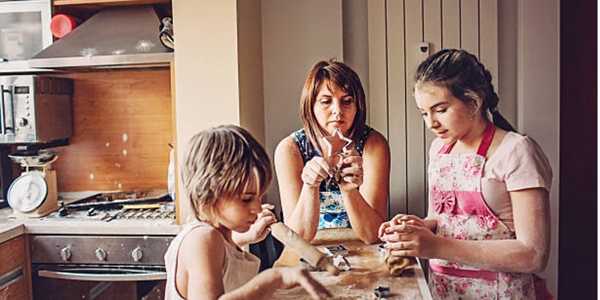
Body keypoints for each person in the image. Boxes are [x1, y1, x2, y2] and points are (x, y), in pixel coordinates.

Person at [379, 49, 553, 299]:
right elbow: (440, 220)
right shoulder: (440, 148)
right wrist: (416, 229)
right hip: (444, 289)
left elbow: (533, 255)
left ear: (474, 101)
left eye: (440, 109)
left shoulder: (516, 151)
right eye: (424, 113)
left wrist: (436, 246)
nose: (431, 123)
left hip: (500, 292)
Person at [164, 125, 331, 300]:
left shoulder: (221, 236)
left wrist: (243, 239)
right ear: (209, 195)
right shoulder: (202, 240)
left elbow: (226, 260)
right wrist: (275, 278)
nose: (258, 208)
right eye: (246, 199)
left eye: (259, 197)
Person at [274, 60, 390, 244]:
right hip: (311, 249)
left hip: (363, 248)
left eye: (347, 101)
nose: (337, 111)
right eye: (326, 101)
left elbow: (373, 235)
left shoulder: (373, 145)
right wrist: (310, 186)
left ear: (358, 105)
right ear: (310, 105)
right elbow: (296, 239)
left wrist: (349, 190)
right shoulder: (290, 150)